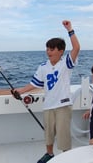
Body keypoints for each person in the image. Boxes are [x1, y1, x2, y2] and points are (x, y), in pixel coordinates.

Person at [12, 20, 80, 163]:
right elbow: (34, 84)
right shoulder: (43, 66)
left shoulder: (66, 63)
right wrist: (21, 91)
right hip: (48, 105)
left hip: (63, 105)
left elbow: (76, 48)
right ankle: (49, 154)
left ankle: (66, 157)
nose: (48, 51)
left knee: (63, 135)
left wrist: (70, 30)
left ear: (60, 51)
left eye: (51, 49)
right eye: (47, 49)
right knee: (48, 133)